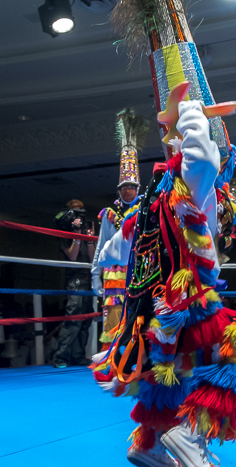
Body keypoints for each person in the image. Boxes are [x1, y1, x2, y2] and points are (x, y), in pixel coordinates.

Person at [91, 18, 236, 467]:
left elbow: (111, 255)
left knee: (168, 373)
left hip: (150, 309)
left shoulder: (149, 202)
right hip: (186, 301)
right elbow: (205, 158)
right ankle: (188, 433)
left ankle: (148, 444)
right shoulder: (197, 186)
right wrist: (190, 111)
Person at [91, 108, 147, 342]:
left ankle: (135, 357)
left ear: (138, 188)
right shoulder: (109, 215)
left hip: (139, 272)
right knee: (113, 324)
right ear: (118, 190)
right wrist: (95, 275)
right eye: (124, 187)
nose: (128, 190)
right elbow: (101, 245)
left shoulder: (145, 212)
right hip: (114, 276)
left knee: (138, 321)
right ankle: (112, 358)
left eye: (131, 186)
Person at [53, 199, 95, 368]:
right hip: (75, 278)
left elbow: (93, 259)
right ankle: (60, 357)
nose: (79, 217)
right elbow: (72, 256)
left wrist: (89, 240)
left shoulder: (86, 230)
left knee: (85, 319)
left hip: (88, 277)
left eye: (81, 213)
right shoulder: (65, 234)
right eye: (76, 213)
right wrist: (77, 235)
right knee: (73, 319)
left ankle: (78, 356)